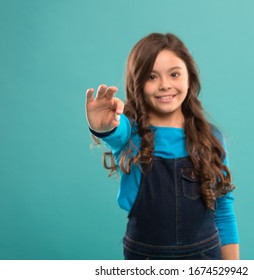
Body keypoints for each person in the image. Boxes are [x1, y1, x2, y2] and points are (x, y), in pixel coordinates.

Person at [85, 33, 239, 260]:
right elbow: (114, 132)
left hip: (205, 257)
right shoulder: (130, 133)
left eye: (174, 74)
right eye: (152, 76)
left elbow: (223, 208)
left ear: (190, 77)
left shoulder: (211, 138)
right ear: (137, 82)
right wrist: (102, 127)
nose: (165, 85)